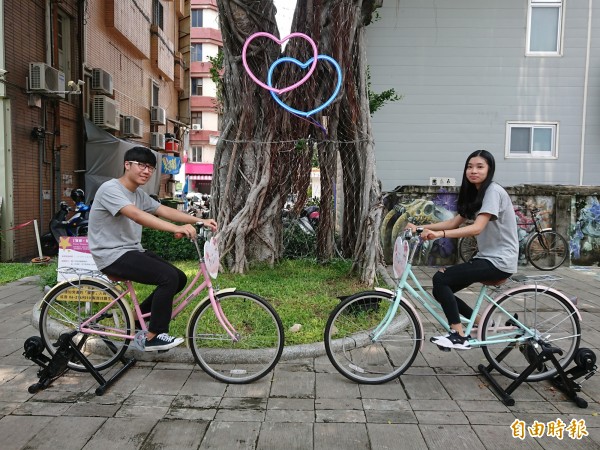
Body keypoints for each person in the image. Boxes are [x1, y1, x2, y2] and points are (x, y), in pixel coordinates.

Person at [88, 146, 218, 351]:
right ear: (127, 165)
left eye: (151, 167)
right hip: (111, 255)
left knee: (179, 278)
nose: (147, 171)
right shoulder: (110, 189)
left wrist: (199, 221)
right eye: (142, 165)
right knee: (168, 277)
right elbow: (138, 216)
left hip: (131, 251)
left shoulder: (138, 194)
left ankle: (137, 324)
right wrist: (176, 229)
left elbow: (163, 210)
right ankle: (154, 335)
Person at [407, 150, 518, 350]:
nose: (473, 171)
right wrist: (420, 229)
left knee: (441, 279)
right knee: (441, 290)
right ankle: (481, 324)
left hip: (500, 261)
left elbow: (477, 228)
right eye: (469, 166)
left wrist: (439, 235)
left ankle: (458, 335)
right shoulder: (476, 194)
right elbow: (452, 223)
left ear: (490, 169)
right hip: (486, 258)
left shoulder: (493, 191)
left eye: (479, 166)